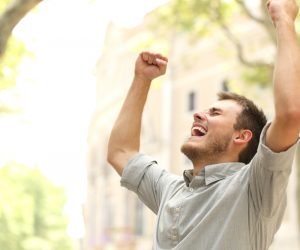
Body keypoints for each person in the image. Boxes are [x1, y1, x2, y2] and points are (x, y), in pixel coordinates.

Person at [107, 0, 300, 249]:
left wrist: (284, 19)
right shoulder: (169, 190)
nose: (198, 114)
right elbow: (120, 152)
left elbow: (291, 115)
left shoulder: (254, 188)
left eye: (215, 113)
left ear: (241, 136)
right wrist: (141, 80)